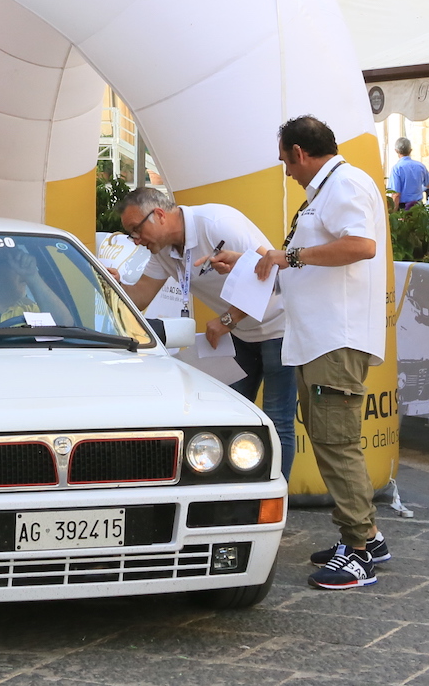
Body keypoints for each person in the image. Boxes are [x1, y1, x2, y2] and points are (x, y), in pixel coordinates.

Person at [212, 115, 387, 590]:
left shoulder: (345, 184)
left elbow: (360, 245)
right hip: (318, 336)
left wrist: (288, 258)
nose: (285, 170)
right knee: (331, 437)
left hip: (337, 336)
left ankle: (358, 552)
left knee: (336, 441)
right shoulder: (326, 190)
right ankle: (366, 537)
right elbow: (299, 260)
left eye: (285, 160)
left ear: (299, 152)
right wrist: (257, 261)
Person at [115, 188, 295, 480]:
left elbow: (273, 271)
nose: (137, 240)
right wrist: (109, 285)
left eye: (136, 230)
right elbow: (141, 296)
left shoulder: (217, 222)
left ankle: (276, 503)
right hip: (239, 338)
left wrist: (228, 318)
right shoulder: (161, 252)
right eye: (131, 235)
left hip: (279, 327)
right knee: (230, 420)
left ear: (159, 215)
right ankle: (237, 501)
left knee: (277, 421)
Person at [387, 138, 428, 210]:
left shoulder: (397, 168)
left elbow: (396, 194)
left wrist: (393, 212)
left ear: (396, 151)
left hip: (403, 208)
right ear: (410, 150)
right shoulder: (420, 166)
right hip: (418, 207)